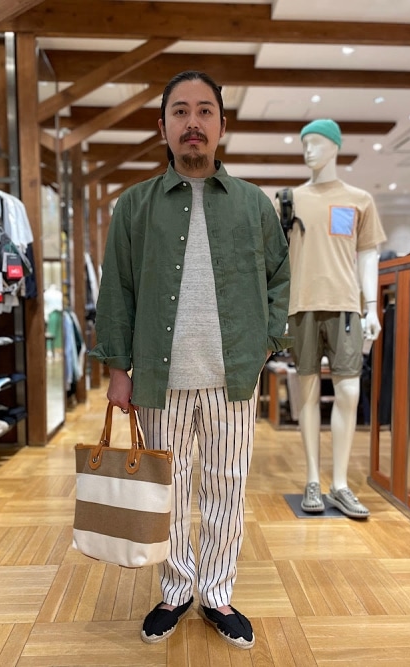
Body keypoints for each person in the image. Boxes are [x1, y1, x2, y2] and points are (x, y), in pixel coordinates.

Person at [90, 70, 291, 649]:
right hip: (160, 379)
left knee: (227, 487)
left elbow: (281, 278)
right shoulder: (135, 206)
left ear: (222, 125)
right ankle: (176, 589)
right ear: (163, 127)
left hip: (234, 379)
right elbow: (117, 289)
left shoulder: (253, 204)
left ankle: (217, 592)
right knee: (170, 490)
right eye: (180, 111)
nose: (193, 122)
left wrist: (265, 343)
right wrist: (118, 370)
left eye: (205, 111)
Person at [280, 118, 386, 519]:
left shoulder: (359, 199)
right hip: (301, 306)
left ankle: (339, 483)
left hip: (345, 308)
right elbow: (277, 261)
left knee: (348, 392)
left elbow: (368, 255)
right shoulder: (289, 200)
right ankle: (312, 479)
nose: (309, 150)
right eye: (304, 143)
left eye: (317, 142)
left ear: (335, 146)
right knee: (306, 393)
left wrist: (372, 306)